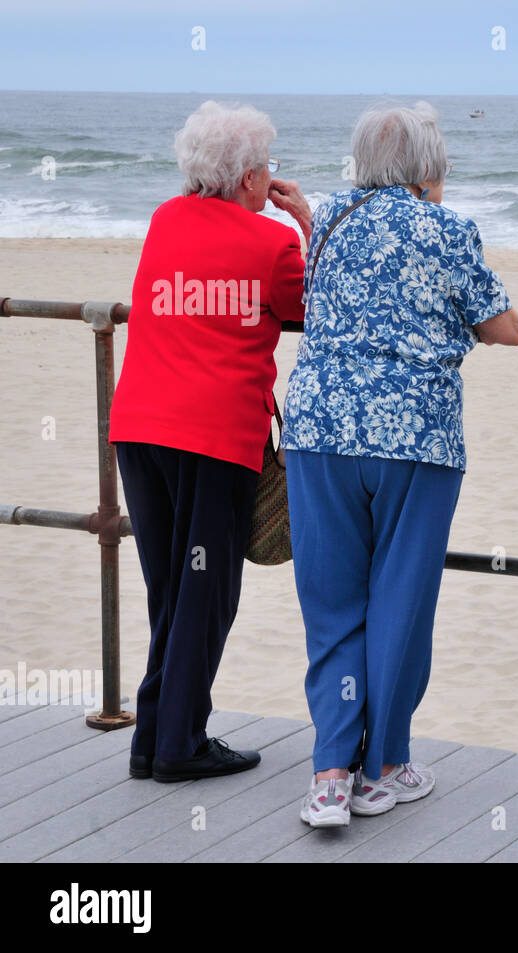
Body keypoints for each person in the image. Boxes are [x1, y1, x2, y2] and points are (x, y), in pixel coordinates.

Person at [283, 102, 518, 828]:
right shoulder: (446, 229)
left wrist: (308, 215)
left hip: (319, 428)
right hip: (414, 438)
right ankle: (384, 765)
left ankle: (330, 774)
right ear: (429, 169)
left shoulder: (329, 217)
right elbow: (502, 328)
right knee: (399, 598)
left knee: (331, 601)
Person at [109, 101, 312, 782]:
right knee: (206, 589)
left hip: (138, 425)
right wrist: (308, 222)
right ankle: (178, 744)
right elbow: (317, 305)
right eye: (266, 168)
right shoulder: (274, 244)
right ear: (251, 178)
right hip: (213, 435)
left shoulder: (165, 218)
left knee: (170, 587)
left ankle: (154, 735)